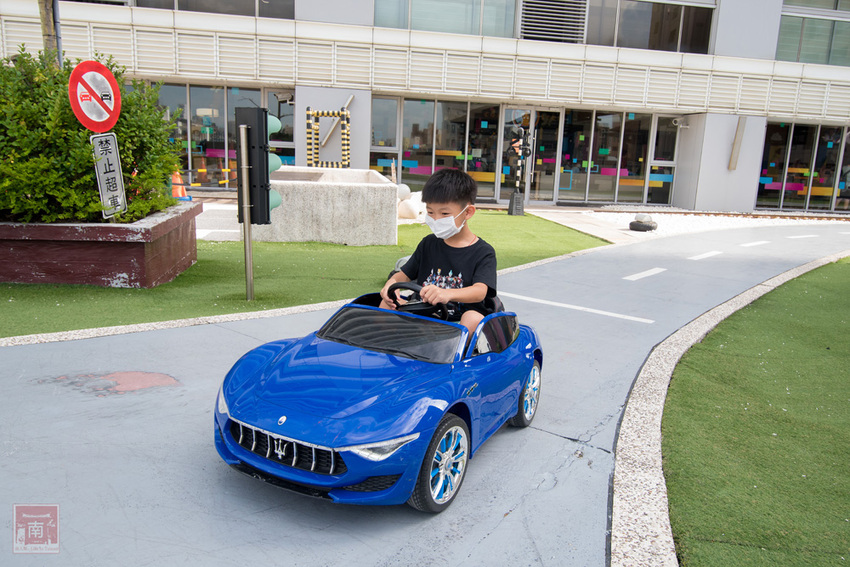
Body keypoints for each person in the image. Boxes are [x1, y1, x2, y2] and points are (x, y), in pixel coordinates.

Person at [380, 169, 497, 340]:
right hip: (424, 313)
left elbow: (480, 291)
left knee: (472, 319)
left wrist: (447, 293)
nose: (436, 219)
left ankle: (454, 357)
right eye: (430, 212)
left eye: (444, 214)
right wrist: (390, 284)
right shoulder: (429, 244)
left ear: (468, 212)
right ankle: (388, 348)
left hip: (457, 320)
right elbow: (403, 276)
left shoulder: (483, 252)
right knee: (385, 304)